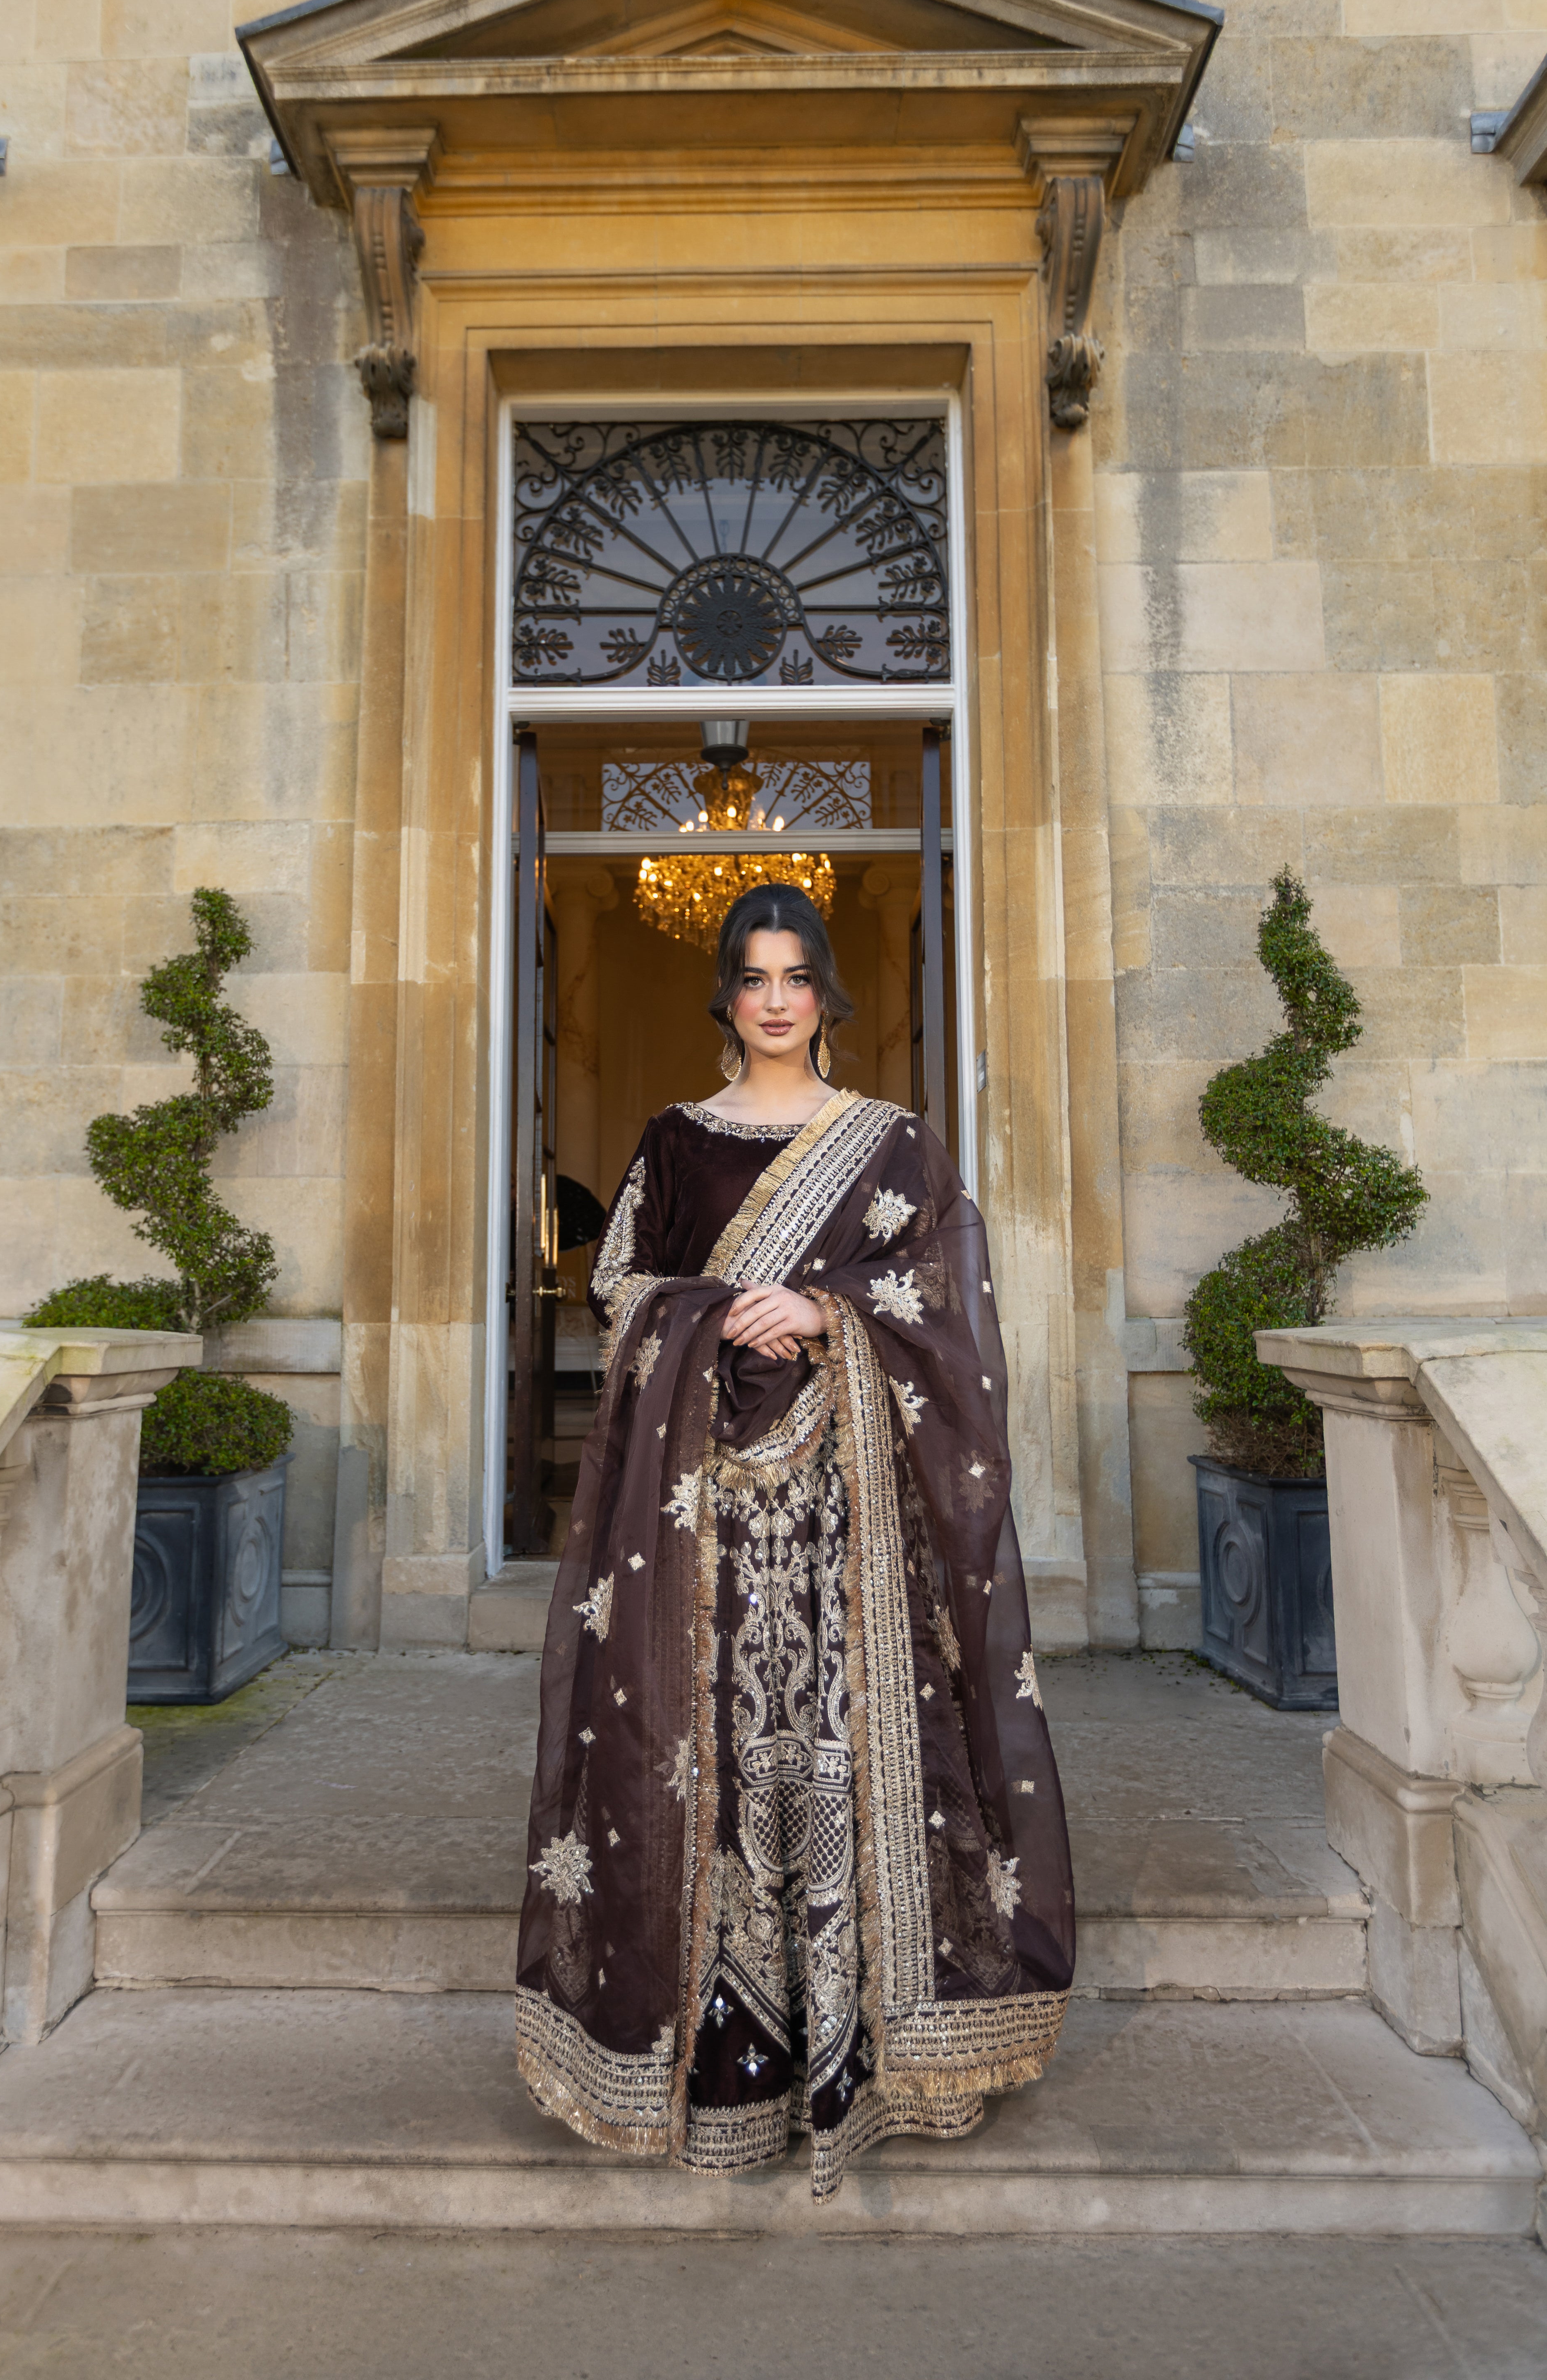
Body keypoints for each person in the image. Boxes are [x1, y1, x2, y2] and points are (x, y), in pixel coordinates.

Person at [516, 884, 1073, 2200]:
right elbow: (620, 1288)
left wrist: (830, 1311)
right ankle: (720, 2076)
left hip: (846, 1515)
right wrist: (712, 1313)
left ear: (828, 994)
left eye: (797, 976)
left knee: (844, 1753)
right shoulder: (676, 1140)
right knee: (706, 1759)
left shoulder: (892, 1145)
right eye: (754, 977)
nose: (776, 1000)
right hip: (701, 1519)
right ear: (727, 993)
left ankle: (866, 2062)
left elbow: (945, 1293)